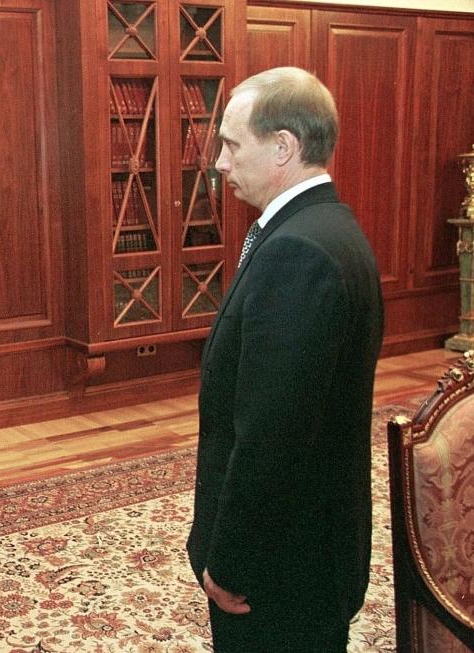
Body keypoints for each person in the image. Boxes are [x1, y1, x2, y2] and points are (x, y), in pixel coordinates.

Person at [186, 67, 384, 652]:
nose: (218, 163)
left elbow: (269, 438)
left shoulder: (298, 251)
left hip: (279, 572)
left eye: (230, 144)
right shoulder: (331, 229)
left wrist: (229, 565)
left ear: (283, 147)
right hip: (311, 552)